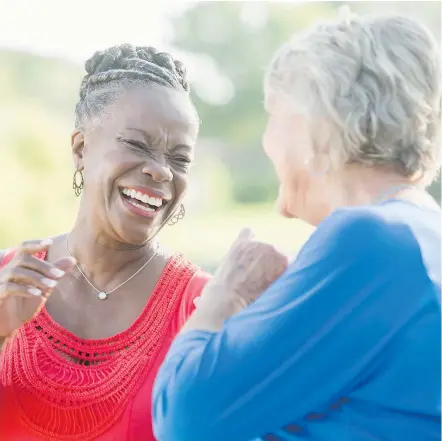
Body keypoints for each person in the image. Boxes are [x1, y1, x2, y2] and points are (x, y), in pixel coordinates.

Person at [152, 9, 441, 441]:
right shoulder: (420, 232)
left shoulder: (370, 242)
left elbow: (183, 417)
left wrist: (224, 295)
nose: (267, 140)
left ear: (319, 130)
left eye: (274, 113)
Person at [0, 44, 210, 441]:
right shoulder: (6, 279)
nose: (160, 170)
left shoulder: (202, 307)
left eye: (179, 158)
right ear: (81, 148)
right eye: (137, 144)